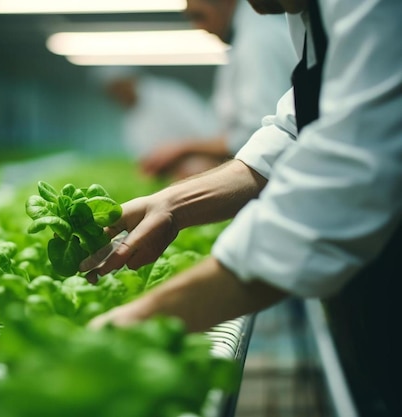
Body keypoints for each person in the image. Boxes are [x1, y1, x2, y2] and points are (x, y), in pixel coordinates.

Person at [82, 0, 402, 416]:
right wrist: (173, 202)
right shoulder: (304, 16)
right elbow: (292, 132)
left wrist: (143, 317)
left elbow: (346, 184)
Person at [140, 0, 297, 180]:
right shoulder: (247, 40)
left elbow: (256, 136)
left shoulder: (257, 42)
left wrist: (183, 148)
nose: (199, 27)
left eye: (199, 16)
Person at [90, 65, 220, 169]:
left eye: (118, 89)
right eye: (112, 93)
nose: (117, 96)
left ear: (130, 80)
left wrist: (180, 150)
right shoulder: (130, 118)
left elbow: (209, 134)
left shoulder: (170, 95)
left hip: (202, 164)